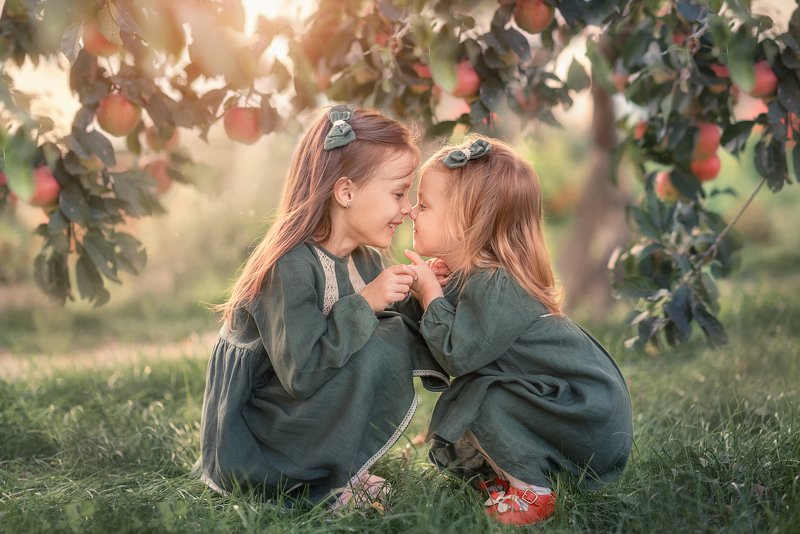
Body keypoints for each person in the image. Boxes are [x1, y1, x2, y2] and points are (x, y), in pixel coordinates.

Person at [195, 105, 448, 509]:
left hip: (295, 410)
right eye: (399, 193)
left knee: (388, 335)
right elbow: (303, 371)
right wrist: (366, 303)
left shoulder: (362, 257)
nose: (406, 209)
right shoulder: (289, 265)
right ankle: (312, 478)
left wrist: (423, 294)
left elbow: (387, 325)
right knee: (381, 339)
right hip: (258, 437)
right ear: (346, 192)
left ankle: (340, 462)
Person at [403, 136, 633, 526]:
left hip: (586, 416)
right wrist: (434, 293)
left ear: (467, 220)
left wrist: (430, 296)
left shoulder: (497, 283)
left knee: (481, 398)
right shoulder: (478, 279)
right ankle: (503, 478)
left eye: (423, 204)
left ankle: (533, 493)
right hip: (569, 410)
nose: (410, 211)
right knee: (474, 395)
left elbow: (457, 355)